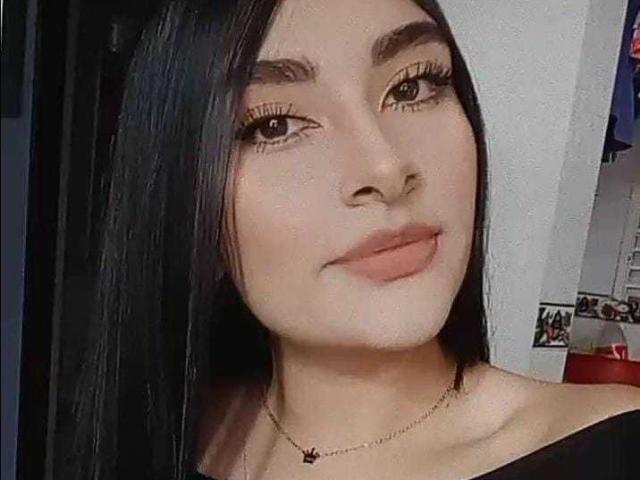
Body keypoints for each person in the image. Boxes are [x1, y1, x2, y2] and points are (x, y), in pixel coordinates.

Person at [70, 0, 640, 479]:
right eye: (273, 125)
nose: (386, 168)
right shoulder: (162, 428)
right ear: (182, 199)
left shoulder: (613, 451)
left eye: (414, 86)